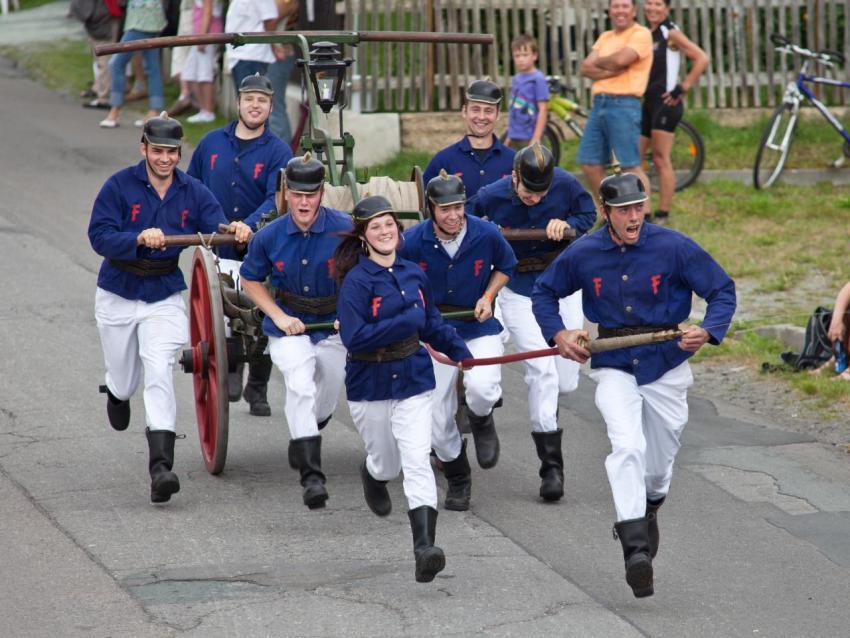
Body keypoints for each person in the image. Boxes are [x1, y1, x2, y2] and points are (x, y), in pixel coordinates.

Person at [531, 172, 736, 598]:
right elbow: (543, 293)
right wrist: (559, 334)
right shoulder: (584, 252)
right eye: (624, 210)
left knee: (658, 466)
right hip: (614, 364)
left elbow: (722, 290)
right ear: (604, 211)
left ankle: (651, 506)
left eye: (639, 207)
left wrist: (708, 330)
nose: (634, 216)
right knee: (626, 446)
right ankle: (635, 550)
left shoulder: (674, 247)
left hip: (667, 363)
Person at [88, 113, 252, 503]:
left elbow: (215, 227)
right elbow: (99, 235)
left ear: (179, 154)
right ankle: (116, 393)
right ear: (143, 149)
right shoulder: (119, 185)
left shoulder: (192, 190)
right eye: (158, 151)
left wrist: (235, 231)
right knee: (124, 378)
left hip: (163, 292)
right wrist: (137, 238)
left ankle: (161, 468)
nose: (165, 159)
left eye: (172, 152)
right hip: (118, 291)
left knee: (160, 368)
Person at [334, 196, 473, 583]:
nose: (385, 231)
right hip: (370, 381)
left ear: (398, 229)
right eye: (375, 226)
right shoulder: (356, 283)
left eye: (389, 224)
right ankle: (373, 473)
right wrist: (403, 322)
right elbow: (354, 337)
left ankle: (425, 548)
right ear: (363, 236)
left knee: (416, 459)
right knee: (388, 464)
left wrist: (461, 353)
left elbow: (431, 322)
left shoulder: (414, 274)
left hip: (413, 376)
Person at [466, 143, 596, 502]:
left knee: (566, 381)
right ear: (514, 177)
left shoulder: (566, 185)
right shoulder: (491, 195)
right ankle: (551, 468)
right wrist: (486, 230)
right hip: (520, 288)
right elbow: (465, 220)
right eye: (527, 192)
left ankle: (547, 408)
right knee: (543, 371)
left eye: (541, 193)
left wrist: (568, 224)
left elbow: (588, 214)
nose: (535, 199)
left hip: (564, 286)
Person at [398, 171, 517, 511]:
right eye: (445, 209)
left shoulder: (486, 233)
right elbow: (398, 279)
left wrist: (488, 296)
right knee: (436, 414)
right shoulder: (412, 240)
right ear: (430, 208)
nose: (453, 215)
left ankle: (481, 417)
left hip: (476, 324)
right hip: (435, 330)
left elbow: (506, 266)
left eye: (459, 207)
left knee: (483, 386)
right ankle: (458, 476)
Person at [239, 154, 351, 509]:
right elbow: (250, 278)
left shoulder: (346, 229)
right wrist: (278, 315)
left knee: (328, 389)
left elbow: (365, 272)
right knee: (300, 385)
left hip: (333, 324)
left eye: (311, 194)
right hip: (289, 325)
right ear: (286, 193)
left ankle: (306, 432)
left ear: (322, 193)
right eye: (297, 194)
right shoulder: (268, 235)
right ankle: (311, 477)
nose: (304, 203)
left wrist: (349, 312)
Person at [188, 73, 293, 416]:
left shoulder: (279, 151)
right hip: (216, 244)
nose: (255, 106)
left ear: (271, 107)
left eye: (262, 100)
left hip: (260, 247)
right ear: (238, 103)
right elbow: (192, 187)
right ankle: (232, 366)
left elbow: (277, 198)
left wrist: (249, 225)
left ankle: (257, 387)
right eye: (249, 99)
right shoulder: (211, 143)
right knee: (222, 307)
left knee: (263, 312)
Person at [639, 0, 708, 222]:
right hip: (647, 104)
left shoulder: (671, 32)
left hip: (666, 104)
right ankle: (643, 213)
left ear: (667, 9)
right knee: (634, 160)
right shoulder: (647, 33)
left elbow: (701, 58)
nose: (653, 8)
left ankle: (663, 213)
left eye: (658, 4)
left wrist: (683, 87)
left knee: (660, 159)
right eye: (649, 3)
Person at [578, 0, 653, 199]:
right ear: (610, 11)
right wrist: (611, 70)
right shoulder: (605, 36)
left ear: (634, 10)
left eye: (625, 6)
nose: (620, 10)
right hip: (599, 104)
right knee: (590, 163)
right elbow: (585, 67)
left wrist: (600, 61)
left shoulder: (641, 34)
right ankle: (609, 211)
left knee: (629, 165)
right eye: (616, 6)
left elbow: (621, 60)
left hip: (624, 105)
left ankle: (643, 214)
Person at [422, 80, 515, 201]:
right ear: (464, 111)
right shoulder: (443, 161)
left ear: (497, 115)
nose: (481, 117)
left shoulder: (514, 161)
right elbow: (424, 204)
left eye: (488, 111)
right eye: (475, 109)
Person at [99, 0, 168, 129]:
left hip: (140, 20)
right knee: (153, 67)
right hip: (153, 17)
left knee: (116, 63)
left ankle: (115, 110)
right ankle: (154, 111)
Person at [224, 0, 285, 96]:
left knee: (251, 98)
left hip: (253, 55)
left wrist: (273, 45)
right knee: (244, 98)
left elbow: (270, 20)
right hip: (238, 55)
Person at [71, 0, 122, 110]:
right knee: (99, 58)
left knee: (104, 59)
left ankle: (104, 97)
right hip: (99, 16)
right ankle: (98, 88)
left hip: (104, 18)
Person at [504, 33, 549, 151]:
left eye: (525, 55)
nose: (521, 59)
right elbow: (514, 109)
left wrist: (536, 137)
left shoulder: (538, 79)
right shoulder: (516, 79)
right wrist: (509, 135)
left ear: (534, 55)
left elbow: (543, 109)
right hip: (515, 137)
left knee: (536, 162)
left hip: (531, 137)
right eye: (517, 56)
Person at [182, 0, 225, 124]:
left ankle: (208, 110)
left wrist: (203, 37)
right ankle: (203, 109)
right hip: (200, 35)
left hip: (207, 35)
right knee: (190, 73)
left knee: (204, 73)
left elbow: (207, 11)